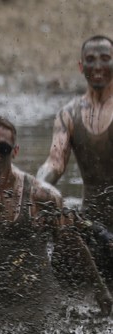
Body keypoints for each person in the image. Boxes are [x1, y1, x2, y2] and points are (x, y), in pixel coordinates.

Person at [0, 116, 112, 321]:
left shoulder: (43, 197)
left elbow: (72, 244)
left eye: (3, 148)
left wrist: (101, 293)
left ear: (14, 151)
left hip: (39, 304)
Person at [37, 36, 113, 227]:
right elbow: (55, 163)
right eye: (90, 59)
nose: (97, 66)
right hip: (90, 220)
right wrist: (38, 187)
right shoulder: (68, 114)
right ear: (81, 67)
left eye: (105, 58)